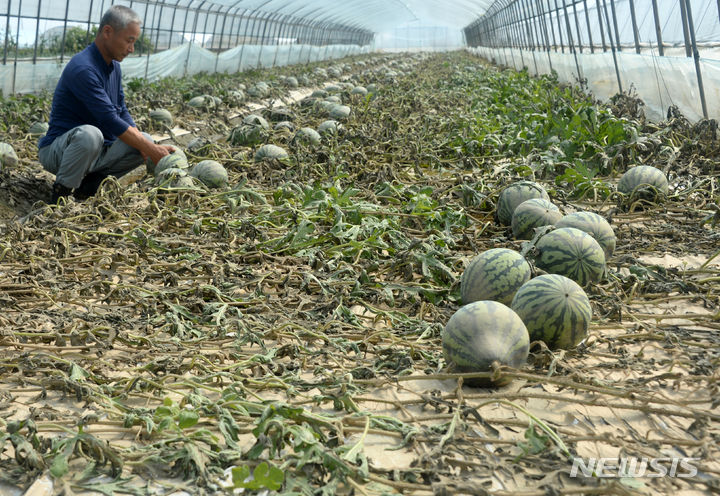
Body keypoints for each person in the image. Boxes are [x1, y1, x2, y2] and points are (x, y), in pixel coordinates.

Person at [38, 5, 174, 203]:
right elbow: (109, 119)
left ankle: (91, 185)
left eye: (134, 42)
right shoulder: (83, 68)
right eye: (129, 41)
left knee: (142, 139)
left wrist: (146, 146)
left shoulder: (114, 67)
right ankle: (61, 194)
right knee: (90, 134)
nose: (131, 49)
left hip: (97, 150)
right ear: (107, 32)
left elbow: (121, 110)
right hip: (60, 150)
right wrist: (153, 151)